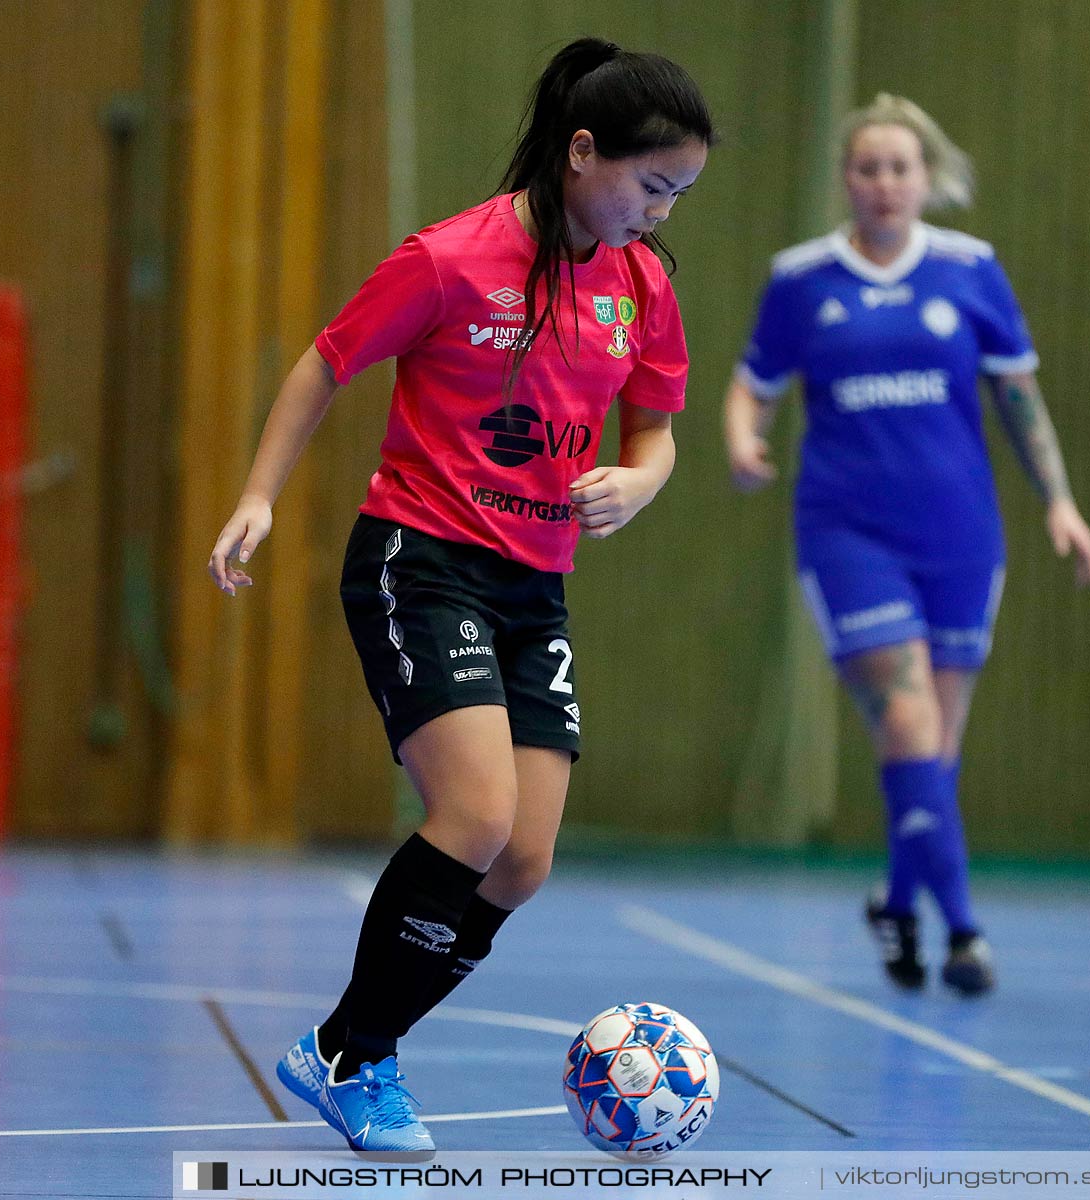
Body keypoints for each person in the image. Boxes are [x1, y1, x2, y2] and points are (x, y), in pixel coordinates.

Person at [206, 38, 712, 1154]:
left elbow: (659, 429)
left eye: (679, 194)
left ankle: (351, 1045)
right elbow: (326, 362)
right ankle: (355, 1059)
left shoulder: (641, 286)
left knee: (523, 861)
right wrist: (258, 496)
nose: (661, 213)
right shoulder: (449, 258)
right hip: (421, 560)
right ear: (583, 154)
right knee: (475, 816)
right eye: (652, 186)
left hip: (535, 588)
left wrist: (641, 480)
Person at [723, 94, 1090, 997]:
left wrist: (1061, 502)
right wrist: (742, 440)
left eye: (901, 168)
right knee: (907, 720)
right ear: (845, 180)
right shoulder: (801, 280)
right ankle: (964, 931)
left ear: (927, 180)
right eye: (868, 168)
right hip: (848, 531)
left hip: (960, 534)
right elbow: (751, 387)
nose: (884, 184)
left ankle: (898, 901)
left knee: (937, 749)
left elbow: (1020, 400)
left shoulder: (972, 272)